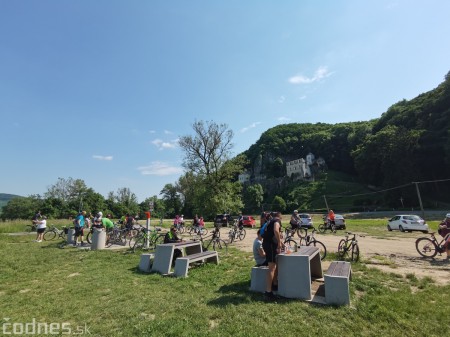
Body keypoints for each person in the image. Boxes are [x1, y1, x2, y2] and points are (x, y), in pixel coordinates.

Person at [262, 211, 282, 300]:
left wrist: (281, 243)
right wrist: (279, 243)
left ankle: (274, 284)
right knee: (272, 268)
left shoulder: (270, 221)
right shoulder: (277, 221)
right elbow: (275, 230)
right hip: (270, 245)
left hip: (266, 243)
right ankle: (268, 292)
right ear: (279, 216)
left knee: (274, 265)